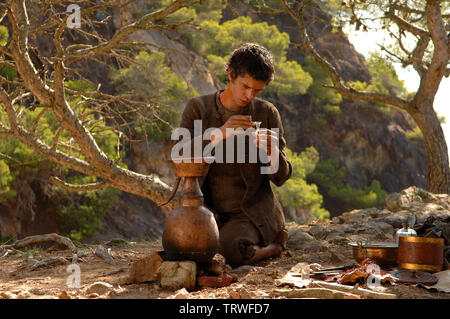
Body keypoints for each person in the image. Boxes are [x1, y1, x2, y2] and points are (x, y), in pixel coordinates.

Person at [178, 43, 292, 267]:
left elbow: (282, 177)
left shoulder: (266, 113)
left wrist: (273, 154)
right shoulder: (197, 109)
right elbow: (179, 156)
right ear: (230, 74)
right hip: (204, 210)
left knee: (226, 250)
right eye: (245, 86)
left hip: (250, 214)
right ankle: (264, 247)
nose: (249, 95)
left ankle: (273, 246)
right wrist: (217, 135)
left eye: (257, 90)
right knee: (185, 249)